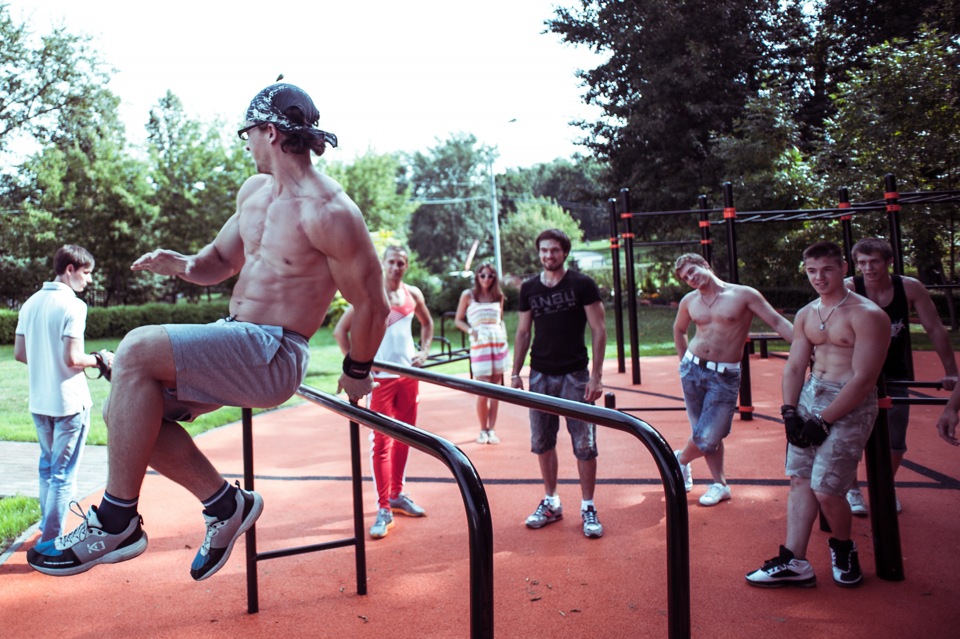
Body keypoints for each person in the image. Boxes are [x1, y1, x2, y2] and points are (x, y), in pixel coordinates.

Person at [26, 82, 389, 579]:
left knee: (134, 348)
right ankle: (224, 505)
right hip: (238, 336)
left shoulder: (329, 211)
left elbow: (374, 302)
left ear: (270, 130)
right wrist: (178, 264)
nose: (243, 143)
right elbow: (217, 261)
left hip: (276, 351)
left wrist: (358, 368)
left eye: (247, 132)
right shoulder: (255, 192)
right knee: (127, 414)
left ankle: (116, 523)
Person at [746, 241, 888, 589]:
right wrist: (789, 411)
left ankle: (843, 547)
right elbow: (795, 365)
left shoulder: (867, 315)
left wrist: (824, 420)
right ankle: (794, 560)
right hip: (812, 393)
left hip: (849, 401)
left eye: (826, 269)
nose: (819, 277)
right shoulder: (808, 313)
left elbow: (864, 379)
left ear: (842, 267)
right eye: (811, 271)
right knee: (799, 479)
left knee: (826, 488)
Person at [843, 237, 958, 515]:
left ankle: (886, 486)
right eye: (862, 263)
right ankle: (851, 489)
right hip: (853, 371)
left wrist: (951, 372)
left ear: (888, 262)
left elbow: (934, 329)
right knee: (847, 437)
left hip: (895, 371)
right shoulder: (849, 288)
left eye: (875, 262)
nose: (868, 268)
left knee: (895, 438)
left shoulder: (908, 288)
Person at [672, 253, 793, 506]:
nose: (691, 278)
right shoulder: (689, 301)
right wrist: (683, 360)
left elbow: (776, 321)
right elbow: (679, 329)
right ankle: (720, 485)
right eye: (685, 278)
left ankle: (679, 460)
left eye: (692, 271)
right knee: (703, 433)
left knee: (708, 435)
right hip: (693, 371)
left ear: (705, 264)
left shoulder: (744, 295)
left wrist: (808, 347)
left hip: (724, 374)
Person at [510, 228, 607, 539]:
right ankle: (551, 502)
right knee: (542, 441)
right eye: (543, 250)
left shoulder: (582, 284)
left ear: (564, 252)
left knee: (584, 444)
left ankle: (588, 506)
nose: (548, 255)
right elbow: (523, 332)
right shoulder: (529, 288)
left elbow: (599, 329)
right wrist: (516, 372)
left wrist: (596, 375)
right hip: (540, 374)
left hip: (575, 375)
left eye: (554, 250)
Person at [14, 245, 114, 542]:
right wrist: (100, 359)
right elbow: (73, 358)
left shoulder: (30, 303)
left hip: (40, 401)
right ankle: (51, 542)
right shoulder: (74, 305)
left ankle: (48, 530)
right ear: (70, 269)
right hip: (69, 403)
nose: (89, 280)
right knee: (62, 475)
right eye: (86, 273)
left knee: (48, 468)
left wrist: (47, 361)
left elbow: (20, 353)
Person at [334, 245, 434, 539]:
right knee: (382, 443)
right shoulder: (370, 296)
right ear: (383, 263)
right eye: (391, 262)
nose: (396, 267)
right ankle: (383, 507)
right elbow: (341, 331)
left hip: (408, 378)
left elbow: (427, 324)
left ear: (406, 265)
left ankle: (397, 495)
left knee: (406, 438)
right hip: (381, 381)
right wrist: (358, 366)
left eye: (401, 262)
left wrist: (424, 350)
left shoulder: (413, 294)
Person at [454, 262, 509, 444]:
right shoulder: (468, 295)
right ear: (477, 276)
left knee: (496, 390)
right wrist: (472, 331)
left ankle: (492, 429)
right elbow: (458, 320)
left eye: (490, 276)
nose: (486, 279)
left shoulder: (498, 295)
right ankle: (482, 429)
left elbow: (500, 320)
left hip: (497, 343)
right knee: (482, 390)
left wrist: (504, 337)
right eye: (482, 275)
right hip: (480, 345)